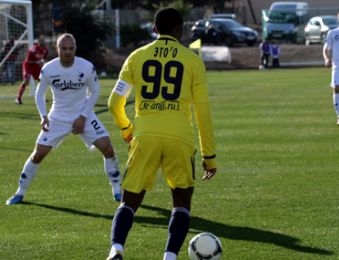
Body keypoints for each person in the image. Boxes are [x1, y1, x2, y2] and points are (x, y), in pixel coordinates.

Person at [106, 8, 217, 260]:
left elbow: (114, 103)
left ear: (154, 29)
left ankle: (117, 249)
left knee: (129, 201)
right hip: (180, 137)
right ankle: (169, 256)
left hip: (144, 135)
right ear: (179, 30)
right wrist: (209, 155)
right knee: (181, 203)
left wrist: (126, 129)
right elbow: (203, 112)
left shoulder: (136, 56)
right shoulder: (193, 60)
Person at [5, 33, 122, 205]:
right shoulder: (48, 69)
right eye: (64, 48)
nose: (67, 52)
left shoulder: (86, 67)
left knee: (108, 148)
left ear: (75, 48)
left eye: (71, 48)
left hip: (84, 115)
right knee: (38, 155)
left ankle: (118, 190)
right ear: (57, 49)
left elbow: (95, 91)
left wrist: (83, 117)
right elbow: (39, 93)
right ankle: (20, 192)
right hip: (57, 117)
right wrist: (43, 116)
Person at [15, 35, 48, 104]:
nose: (43, 41)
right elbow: (28, 60)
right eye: (41, 40)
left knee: (41, 81)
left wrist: (42, 65)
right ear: (38, 41)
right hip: (28, 65)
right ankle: (18, 98)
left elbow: (43, 60)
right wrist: (38, 62)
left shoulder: (45, 50)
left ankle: (42, 98)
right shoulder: (34, 49)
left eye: (44, 40)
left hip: (36, 66)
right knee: (26, 81)